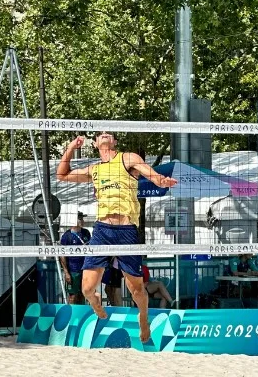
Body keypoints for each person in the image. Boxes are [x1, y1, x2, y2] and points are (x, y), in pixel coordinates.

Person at [57, 132, 178, 343]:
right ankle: (95, 302)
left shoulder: (128, 158)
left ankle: (143, 317)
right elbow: (62, 175)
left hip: (126, 230)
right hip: (102, 229)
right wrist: (71, 147)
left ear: (114, 142)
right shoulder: (95, 169)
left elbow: (152, 175)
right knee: (86, 289)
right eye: (100, 135)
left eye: (109, 134)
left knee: (136, 289)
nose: (104, 135)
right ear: (95, 144)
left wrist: (163, 181)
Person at [59, 213, 91, 304]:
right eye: (80, 219)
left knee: (83, 294)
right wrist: (66, 272)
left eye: (82, 219)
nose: (82, 221)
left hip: (85, 270)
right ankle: (72, 316)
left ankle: (82, 315)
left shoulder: (86, 233)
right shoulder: (67, 236)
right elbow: (62, 255)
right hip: (73, 270)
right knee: (73, 295)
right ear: (73, 220)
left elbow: (91, 250)